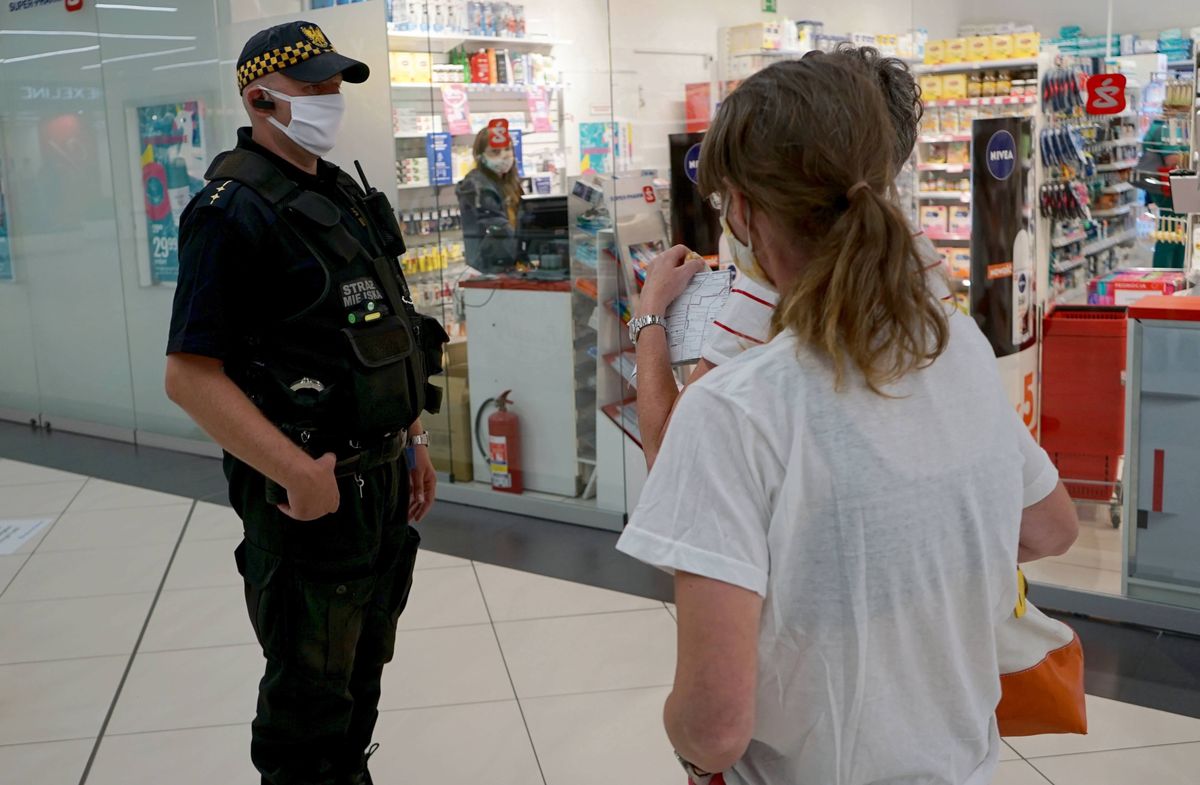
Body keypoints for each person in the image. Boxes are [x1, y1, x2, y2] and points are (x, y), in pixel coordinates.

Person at [616, 57, 1079, 785]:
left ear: (742, 209)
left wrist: (684, 740)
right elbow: (1052, 526)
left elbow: (715, 727)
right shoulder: (952, 341)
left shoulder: (732, 408)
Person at [164, 21, 446, 785]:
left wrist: (411, 432)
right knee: (307, 702)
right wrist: (296, 470)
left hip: (379, 482)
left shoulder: (339, 190)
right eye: (312, 86)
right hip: (309, 498)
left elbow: (383, 327)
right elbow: (189, 374)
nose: (329, 99)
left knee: (360, 679)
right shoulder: (232, 210)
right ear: (259, 98)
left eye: (334, 85)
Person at [634, 46, 939, 466]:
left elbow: (667, 455)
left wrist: (649, 314)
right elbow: (1050, 525)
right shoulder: (919, 256)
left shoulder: (779, 279)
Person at [456, 118, 524, 273]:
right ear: (480, 156)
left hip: (508, 262)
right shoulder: (475, 185)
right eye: (495, 151)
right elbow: (499, 227)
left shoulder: (508, 181)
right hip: (489, 267)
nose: (505, 155)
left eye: (508, 149)